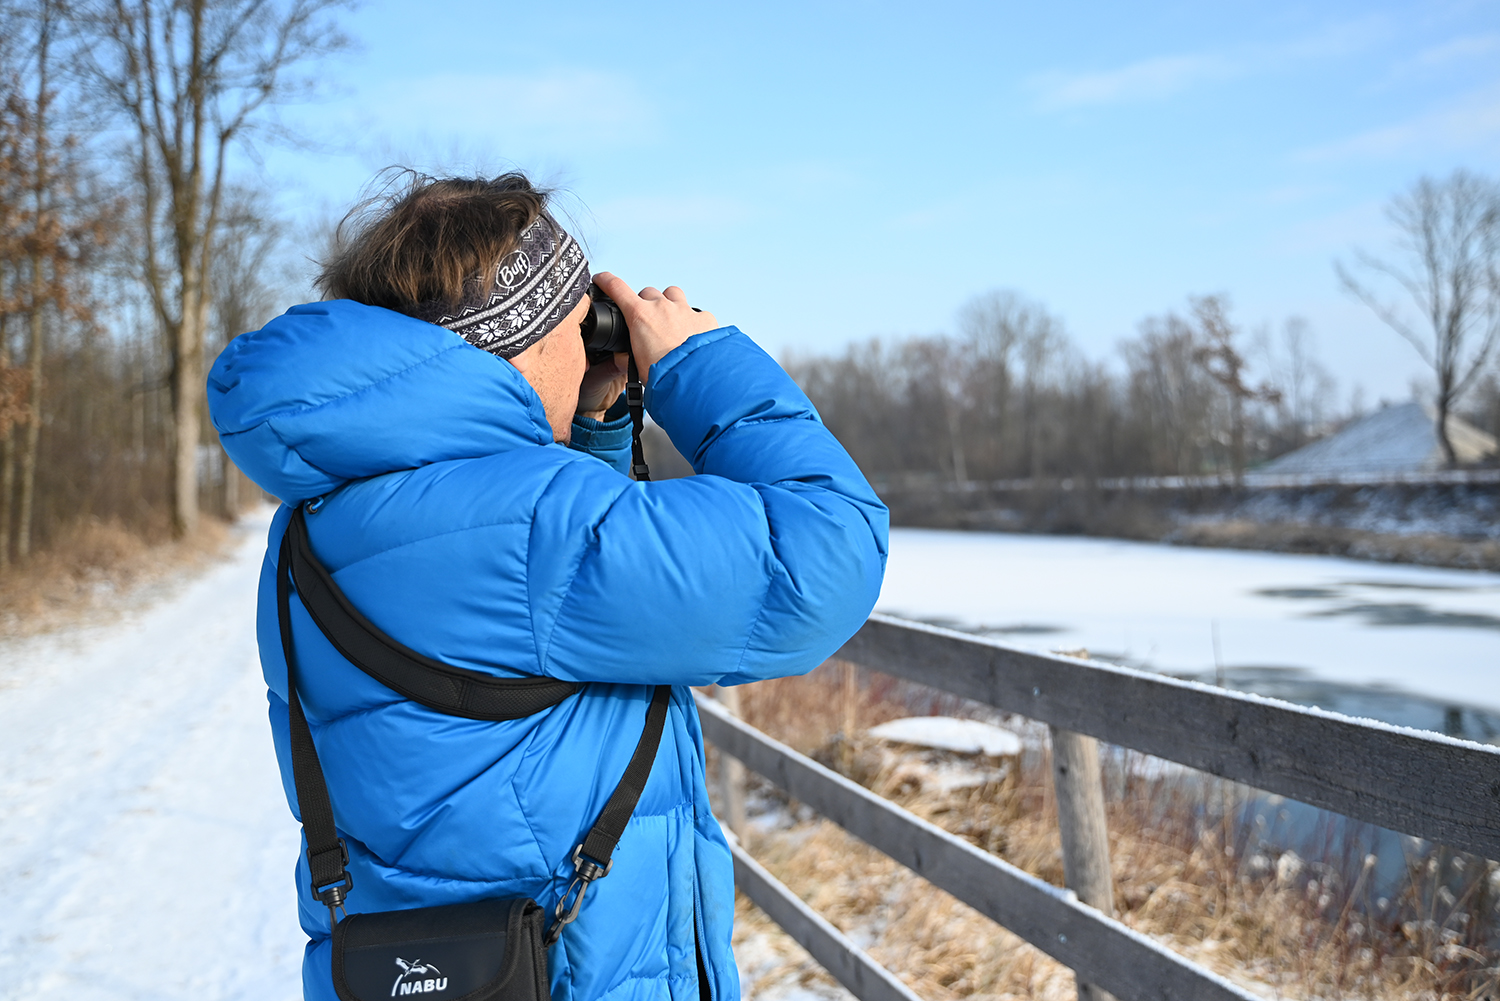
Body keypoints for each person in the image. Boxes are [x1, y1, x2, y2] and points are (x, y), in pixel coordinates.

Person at [207, 171, 888, 1001]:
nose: (597, 339)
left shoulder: (320, 518)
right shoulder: (535, 529)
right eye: (581, 320)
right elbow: (826, 553)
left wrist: (592, 431)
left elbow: (540, 651)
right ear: (524, 337)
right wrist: (702, 364)